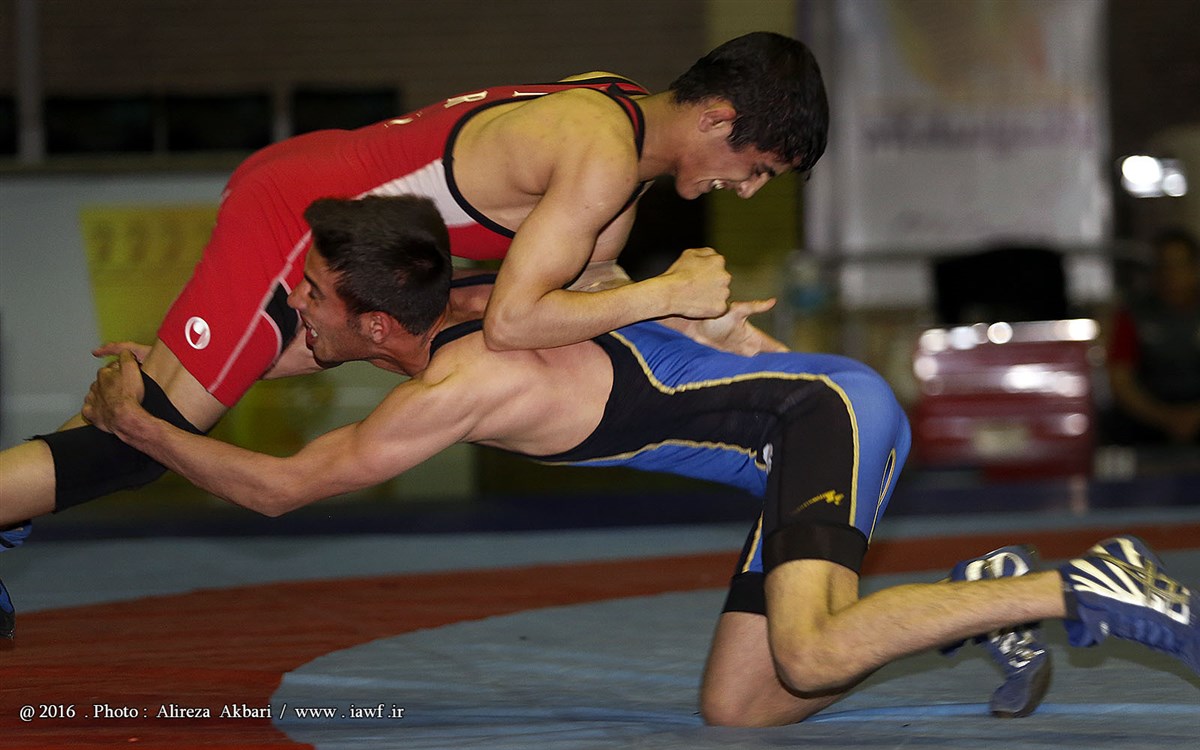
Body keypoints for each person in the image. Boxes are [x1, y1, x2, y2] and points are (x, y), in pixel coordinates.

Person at [72, 197, 1199, 724]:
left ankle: (1085, 583)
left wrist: (146, 428)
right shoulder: (475, 297)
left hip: (823, 417)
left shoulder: (461, 385)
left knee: (808, 651)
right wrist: (180, 373)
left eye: (311, 296)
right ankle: (980, 596)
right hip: (800, 435)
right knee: (744, 706)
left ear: (378, 321)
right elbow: (308, 346)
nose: (293, 311)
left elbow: (281, 489)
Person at [0, 31, 828, 537]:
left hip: (319, 205)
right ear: (717, 119)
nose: (747, 190)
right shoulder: (602, 156)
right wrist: (663, 293)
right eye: (757, 168)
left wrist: (703, 328)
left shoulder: (614, 115)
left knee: (142, 409)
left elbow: (584, 288)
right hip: (295, 221)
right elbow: (514, 323)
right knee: (132, 444)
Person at [1105, 227, 1200, 446]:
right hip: (1148, 414)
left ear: (1194, 267)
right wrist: (1166, 418)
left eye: (1179, 264)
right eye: (1162, 265)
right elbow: (1120, 380)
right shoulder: (1133, 314)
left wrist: (1194, 416)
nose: (1170, 274)